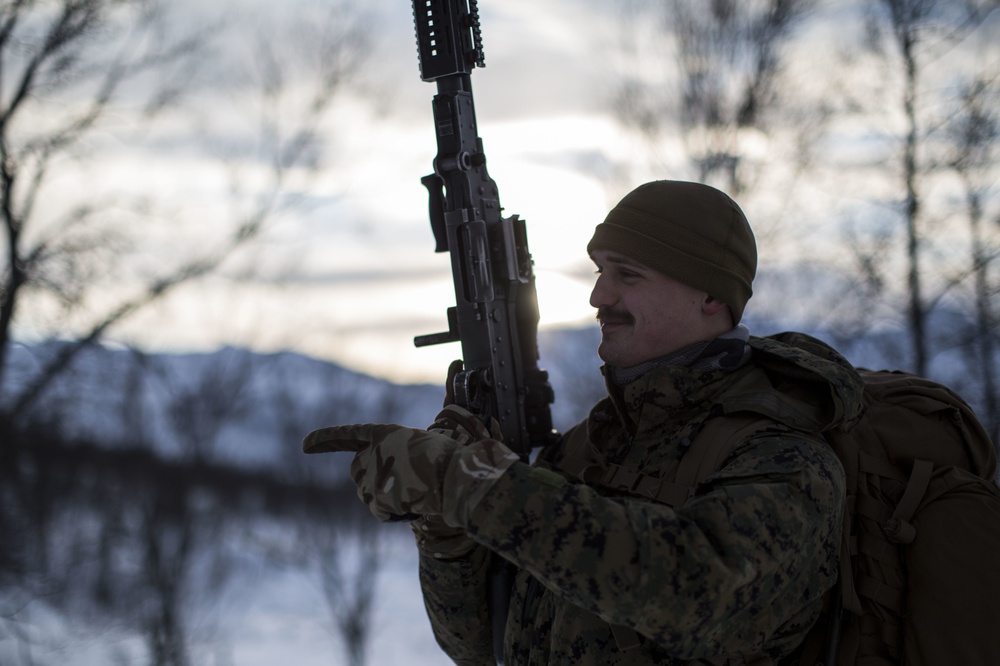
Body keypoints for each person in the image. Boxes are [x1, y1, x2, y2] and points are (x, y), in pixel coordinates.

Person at [304, 180, 866, 665]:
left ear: (712, 297)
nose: (599, 295)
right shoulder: (591, 446)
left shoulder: (786, 457)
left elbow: (697, 593)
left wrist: (470, 485)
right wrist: (445, 527)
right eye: (600, 271)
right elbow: (478, 646)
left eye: (628, 275)